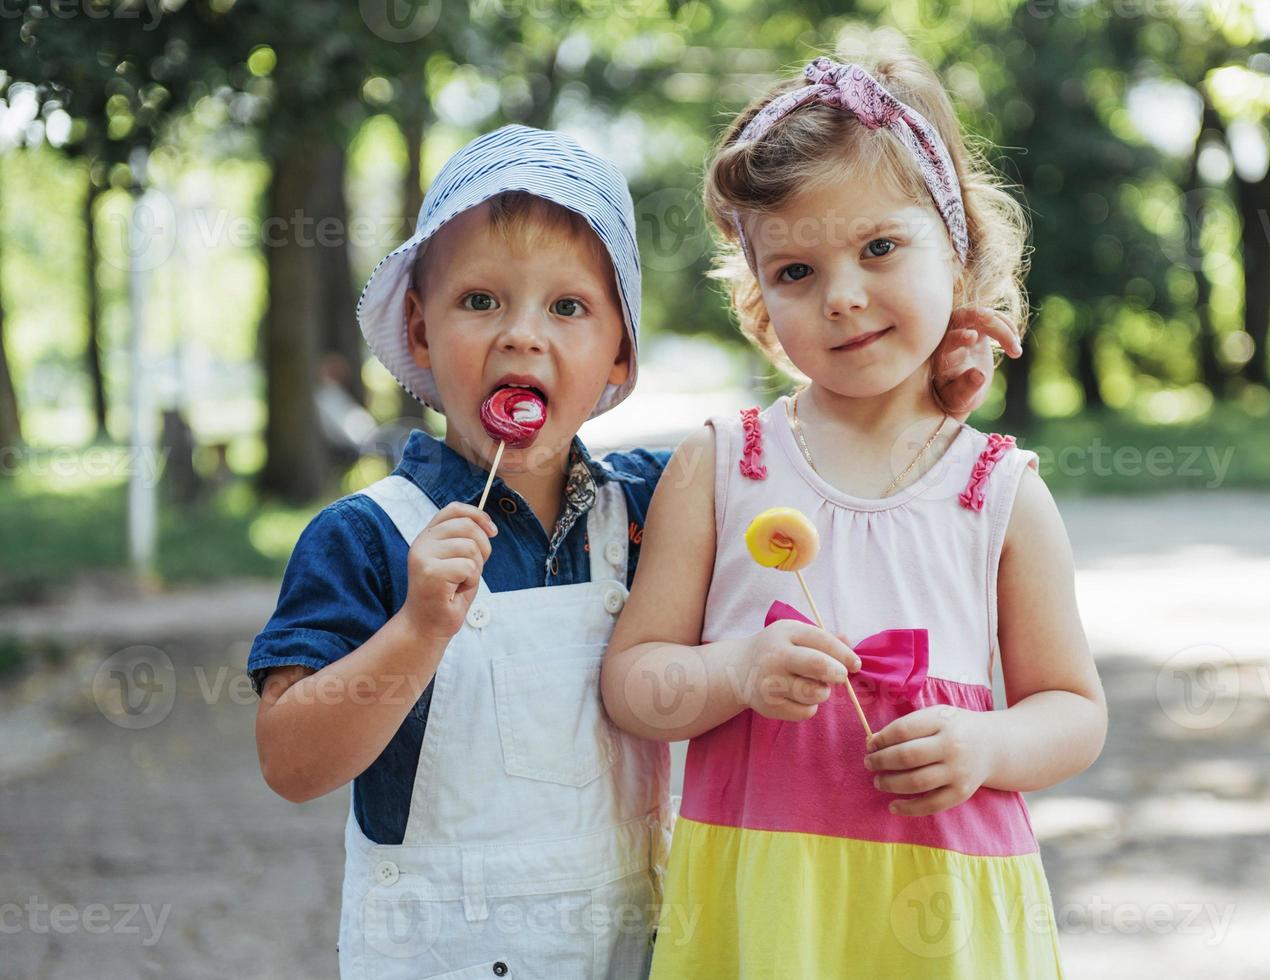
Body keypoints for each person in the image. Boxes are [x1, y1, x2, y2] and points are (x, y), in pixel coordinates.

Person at [247, 123, 1011, 979]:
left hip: (632, 952)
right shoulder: (366, 537)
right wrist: (418, 631)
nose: (521, 337)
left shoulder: (656, 501)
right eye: (479, 301)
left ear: (618, 350)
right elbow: (291, 763)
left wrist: (922, 363)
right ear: (420, 334)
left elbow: (807, 450)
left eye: (567, 307)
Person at [603, 53, 1107, 978]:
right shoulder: (721, 464)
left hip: (942, 912)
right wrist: (735, 670)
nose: (841, 295)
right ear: (759, 300)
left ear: (955, 251)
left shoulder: (996, 489)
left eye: (879, 249)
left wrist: (989, 743)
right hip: (762, 903)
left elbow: (1073, 710)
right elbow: (633, 684)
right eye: (796, 269)